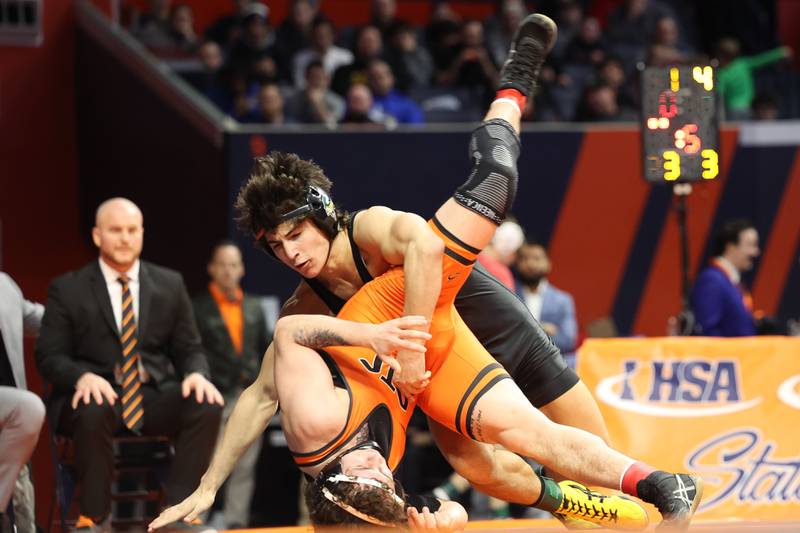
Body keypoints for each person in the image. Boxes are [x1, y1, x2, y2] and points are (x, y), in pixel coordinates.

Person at [151, 14, 702, 531]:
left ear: (322, 216)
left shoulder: (365, 230)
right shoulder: (308, 306)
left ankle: (512, 85)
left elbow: (424, 247)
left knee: (494, 179)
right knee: (479, 465)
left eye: (297, 235)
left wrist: (410, 348)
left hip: (466, 308)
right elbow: (258, 396)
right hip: (426, 357)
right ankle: (579, 503)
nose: (292, 254)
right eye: (277, 247)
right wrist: (208, 486)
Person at [35, 198, 224, 533]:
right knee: (94, 407)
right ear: (97, 236)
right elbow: (49, 356)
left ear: (141, 234)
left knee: (206, 403)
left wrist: (196, 372)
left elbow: (189, 347)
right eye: (115, 230)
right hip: (92, 400)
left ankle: (178, 514)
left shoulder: (169, 284)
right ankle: (94, 519)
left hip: (149, 395)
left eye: (132, 230)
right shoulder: (68, 288)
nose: (124, 238)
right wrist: (82, 376)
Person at [192, 242, 270, 529]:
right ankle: (198, 520)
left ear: (242, 269)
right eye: (222, 264)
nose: (228, 270)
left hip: (247, 394)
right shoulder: (197, 306)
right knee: (208, 461)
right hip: (214, 395)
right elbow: (192, 349)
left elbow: (265, 347)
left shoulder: (253, 306)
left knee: (245, 464)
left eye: (234, 264)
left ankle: (236, 522)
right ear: (212, 268)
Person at [0, 273, 46, 533]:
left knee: (27, 408)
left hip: (8, 413)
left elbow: (37, 319)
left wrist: (82, 312)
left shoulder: (4, 284)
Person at [690, 219, 759, 336]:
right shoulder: (712, 280)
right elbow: (708, 332)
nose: (756, 252)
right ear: (730, 247)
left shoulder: (729, 282)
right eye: (751, 245)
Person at [515, 241, 577, 368]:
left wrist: (527, 332)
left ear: (548, 264)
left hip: (550, 367)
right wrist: (542, 328)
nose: (530, 264)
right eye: (525, 259)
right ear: (518, 264)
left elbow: (568, 340)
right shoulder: (509, 293)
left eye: (537, 259)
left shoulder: (563, 300)